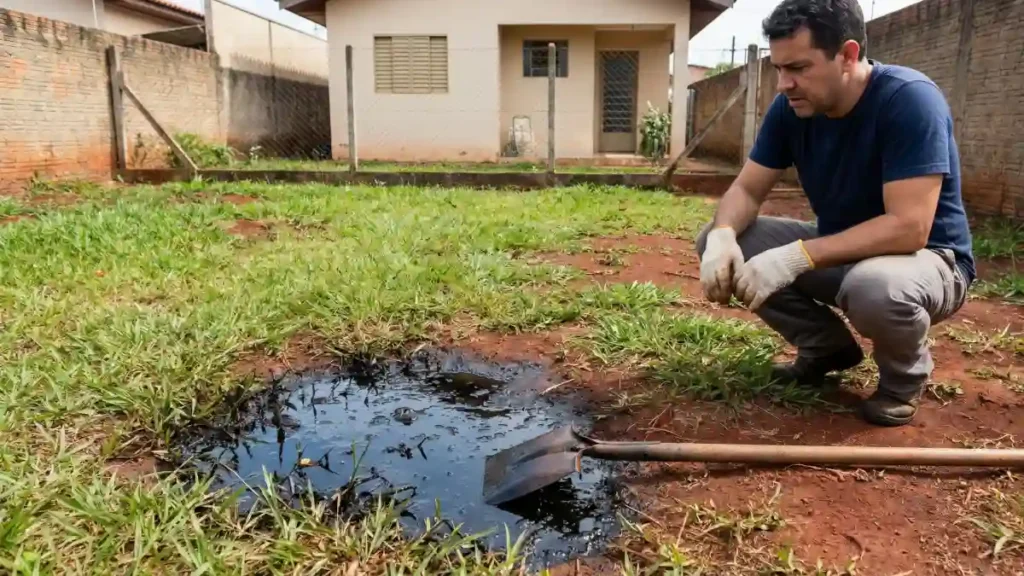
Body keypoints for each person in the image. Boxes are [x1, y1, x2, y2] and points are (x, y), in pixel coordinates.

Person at [695, 0, 975, 426]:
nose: (783, 84)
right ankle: (826, 347)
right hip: (847, 253)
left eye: (799, 68)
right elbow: (748, 189)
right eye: (778, 68)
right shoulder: (792, 109)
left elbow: (909, 228)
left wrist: (796, 257)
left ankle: (902, 382)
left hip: (930, 261)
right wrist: (722, 236)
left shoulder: (909, 100)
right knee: (728, 235)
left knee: (875, 286)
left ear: (847, 55)